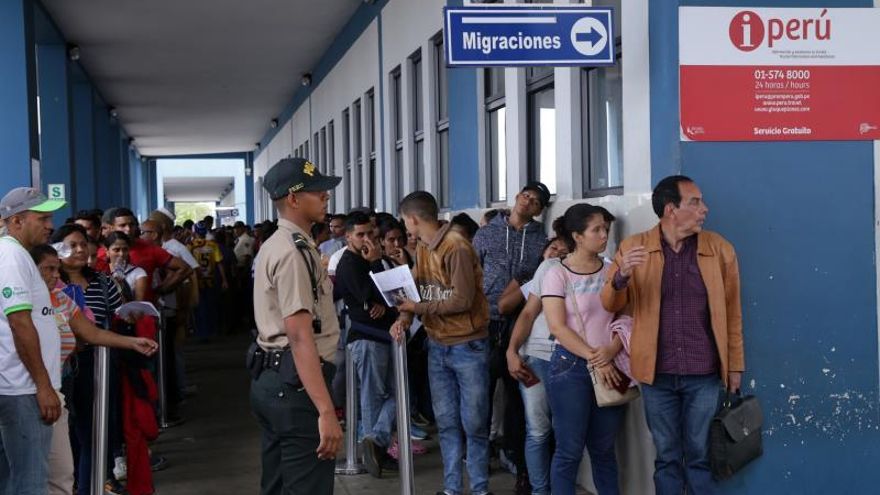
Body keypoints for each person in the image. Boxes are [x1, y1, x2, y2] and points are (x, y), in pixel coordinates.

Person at [601, 175, 745, 495]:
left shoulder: (719, 250)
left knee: (699, 456)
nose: (704, 209)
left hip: (704, 373)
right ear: (671, 209)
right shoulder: (634, 248)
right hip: (656, 374)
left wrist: (734, 366)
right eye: (695, 202)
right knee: (666, 457)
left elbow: (733, 313)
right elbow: (610, 304)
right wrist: (621, 277)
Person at [30, 244, 158, 495]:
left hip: (57, 391)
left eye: (57, 269)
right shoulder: (18, 304)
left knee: (62, 472)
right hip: (27, 393)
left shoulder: (61, 298)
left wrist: (132, 342)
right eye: (48, 270)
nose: (56, 276)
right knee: (31, 472)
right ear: (29, 271)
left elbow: (91, 332)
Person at [249, 157, 343, 495]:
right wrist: (325, 410)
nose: (325, 197)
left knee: (276, 486)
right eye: (317, 192)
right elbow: (300, 335)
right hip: (296, 386)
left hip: (274, 378)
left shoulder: (280, 244)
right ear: (293, 198)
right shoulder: (292, 252)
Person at [391, 191, 492, 495]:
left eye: (405, 221)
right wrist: (405, 319)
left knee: (474, 424)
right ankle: (451, 488)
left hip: (468, 346)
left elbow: (462, 300)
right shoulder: (422, 246)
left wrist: (414, 310)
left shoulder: (457, 247)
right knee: (447, 423)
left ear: (412, 219)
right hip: (438, 344)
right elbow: (418, 290)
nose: (405, 227)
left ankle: (479, 488)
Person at [541, 204, 634, 495]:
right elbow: (557, 327)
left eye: (606, 229)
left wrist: (612, 350)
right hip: (571, 368)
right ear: (577, 236)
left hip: (612, 363)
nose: (604, 235)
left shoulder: (612, 271)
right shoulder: (557, 274)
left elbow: (627, 317)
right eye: (596, 230)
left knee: (604, 450)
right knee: (569, 451)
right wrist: (597, 357)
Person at [472, 181, 550, 492]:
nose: (528, 201)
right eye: (526, 195)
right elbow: (472, 269)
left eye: (535, 201)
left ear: (539, 210)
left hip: (519, 323)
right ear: (517, 197)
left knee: (518, 398)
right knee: (481, 393)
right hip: (485, 322)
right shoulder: (487, 232)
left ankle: (516, 458)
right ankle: (479, 458)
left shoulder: (540, 239)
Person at [0, 187, 65, 494]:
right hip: (23, 389)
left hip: (19, 386)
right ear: (16, 221)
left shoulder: (17, 255)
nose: (50, 225)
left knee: (15, 481)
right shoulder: (11, 256)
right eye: (43, 218)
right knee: (29, 483)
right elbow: (20, 323)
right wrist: (42, 385)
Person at [332, 211, 399, 478]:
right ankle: (375, 452)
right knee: (373, 397)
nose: (366, 239)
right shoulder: (350, 263)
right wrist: (374, 265)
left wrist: (384, 302)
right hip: (368, 339)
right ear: (348, 237)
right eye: (360, 235)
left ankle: (377, 442)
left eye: (370, 233)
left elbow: (394, 294)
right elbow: (369, 295)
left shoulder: (376, 259)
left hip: (386, 336)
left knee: (400, 394)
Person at [504, 232, 569, 495]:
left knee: (564, 432)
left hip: (569, 357)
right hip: (537, 357)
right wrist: (512, 350)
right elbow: (526, 312)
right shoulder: (543, 271)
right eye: (553, 248)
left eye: (563, 251)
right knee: (538, 430)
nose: (557, 255)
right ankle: (539, 489)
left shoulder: (591, 269)